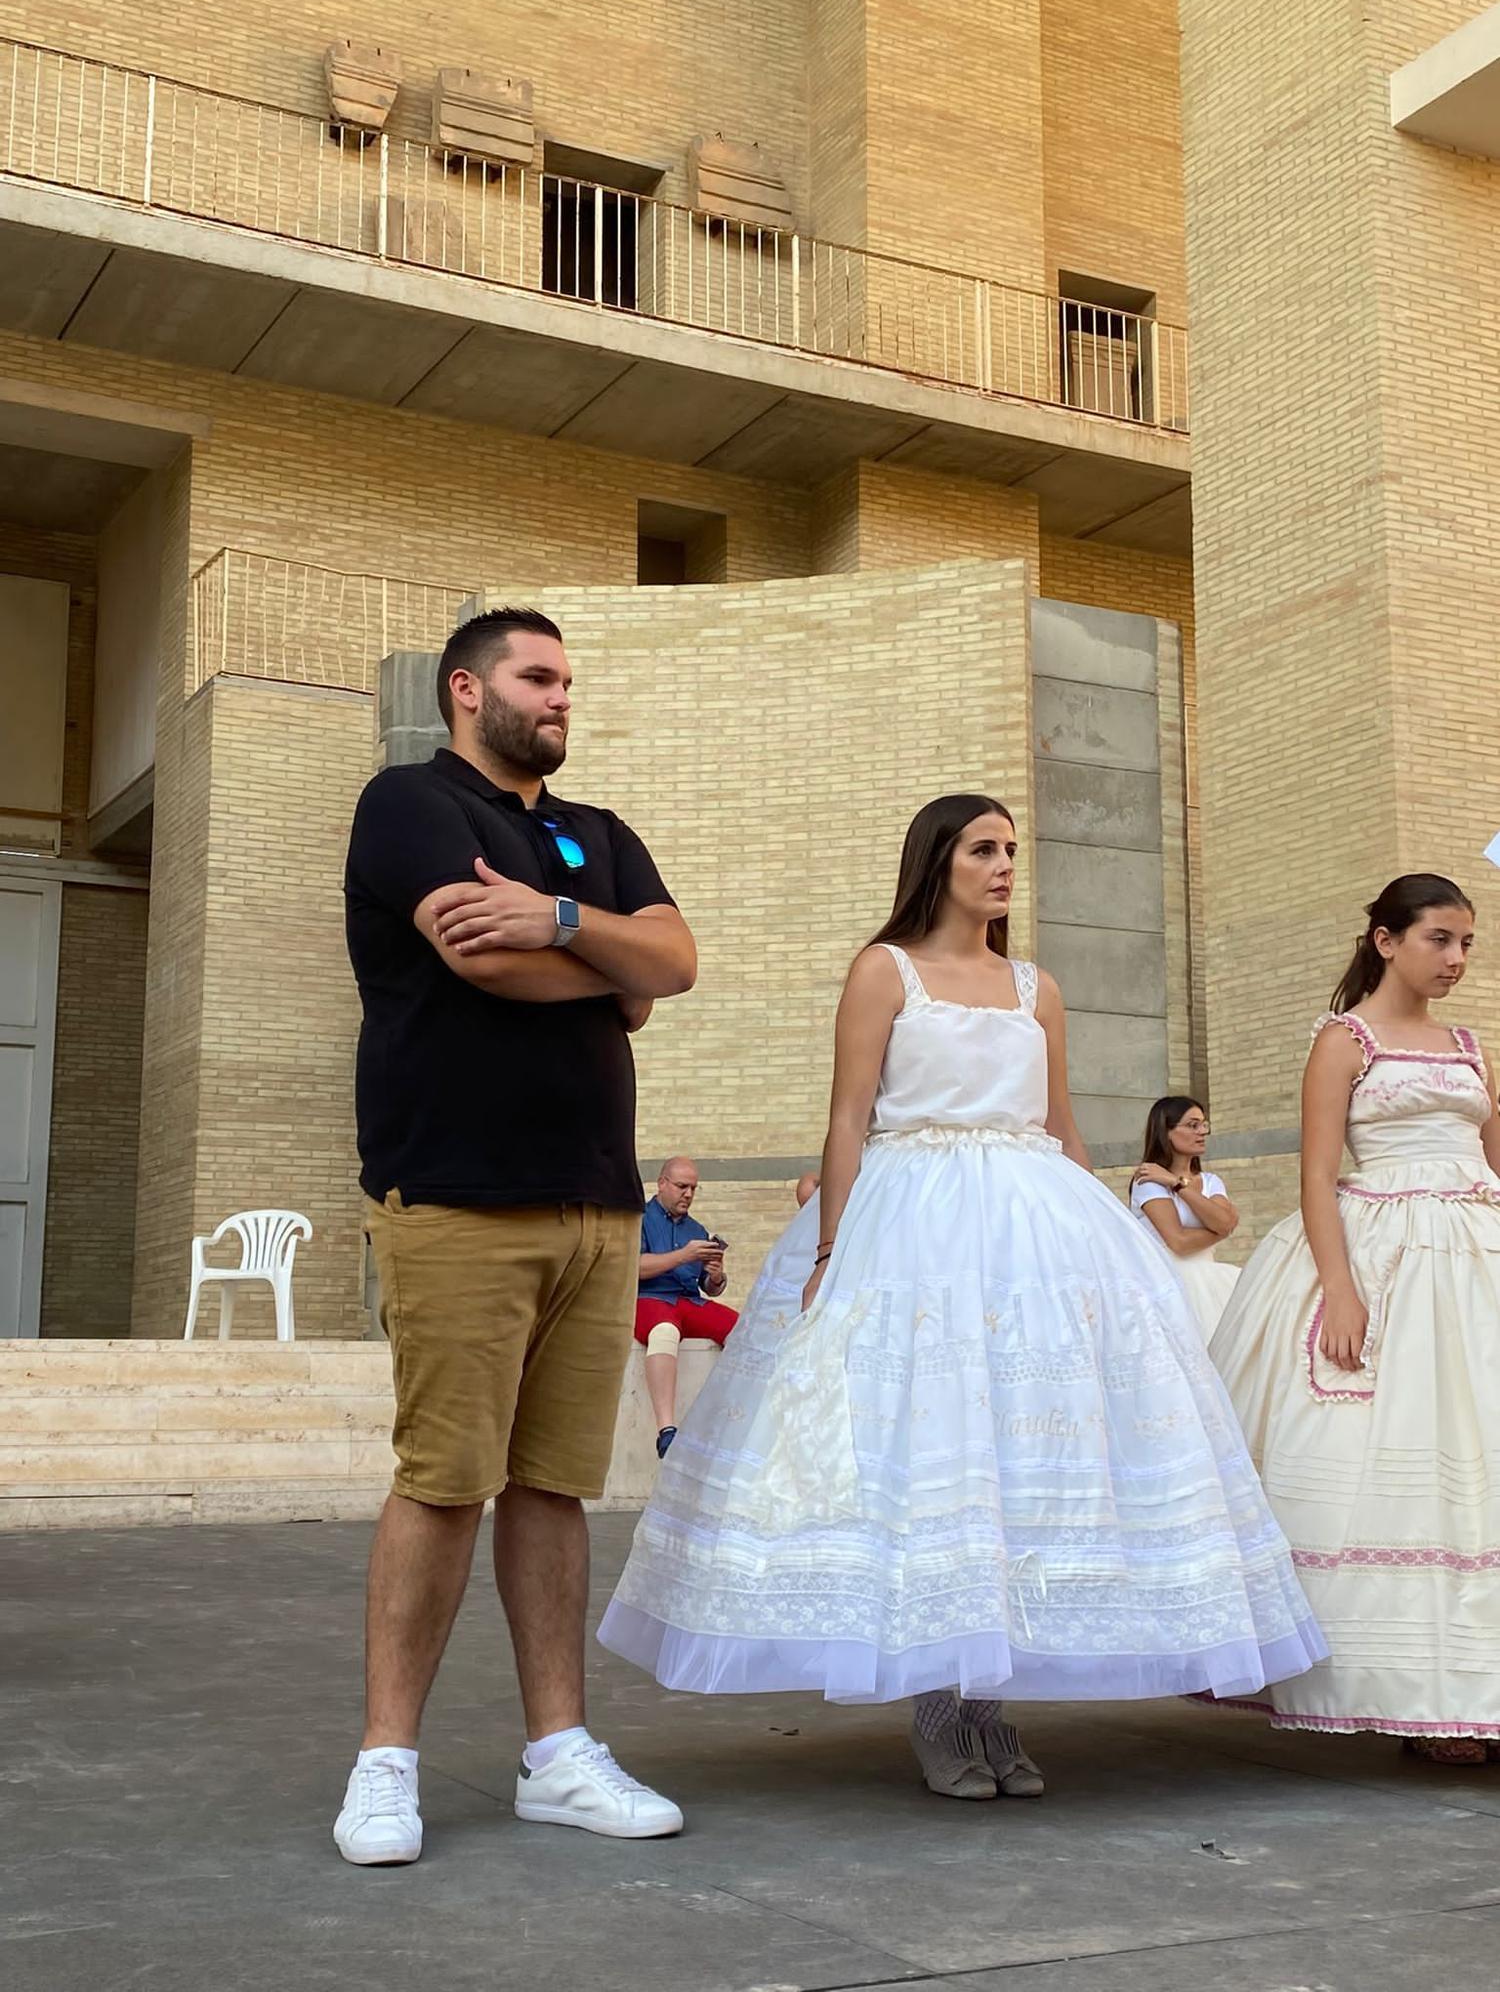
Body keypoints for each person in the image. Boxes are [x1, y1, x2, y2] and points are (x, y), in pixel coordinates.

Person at [599, 794, 1324, 1805]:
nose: (1003, 865)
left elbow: (1063, 1126)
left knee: (1023, 1461)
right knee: (928, 1450)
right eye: (984, 848)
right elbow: (848, 1117)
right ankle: (939, 1700)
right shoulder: (883, 970)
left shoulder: (1037, 986)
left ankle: (990, 1696)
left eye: (1012, 850)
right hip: (912, 1221)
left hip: (1033, 1222)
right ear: (938, 859)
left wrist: (1116, 1252)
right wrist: (833, 1247)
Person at [336, 606, 697, 1864]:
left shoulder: (594, 833)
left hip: (599, 1206)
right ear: (465, 688)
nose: (560, 697)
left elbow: (679, 961)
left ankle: (558, 1752)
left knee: (553, 1488)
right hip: (457, 1198)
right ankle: (386, 1761)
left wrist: (555, 922)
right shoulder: (408, 803)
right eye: (537, 676)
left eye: (566, 680)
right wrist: (609, 957)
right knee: (444, 1482)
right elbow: (474, 955)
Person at [1209, 874, 1500, 1761]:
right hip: (1379, 1250)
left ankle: (1478, 1691)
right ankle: (1416, 1698)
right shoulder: (1346, 1041)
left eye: (1465, 944)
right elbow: (1317, 1176)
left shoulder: (1470, 1045)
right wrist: (1340, 1287)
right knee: (1386, 1459)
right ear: (1385, 941)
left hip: (1475, 1249)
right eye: (1438, 940)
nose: (1454, 959)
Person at [637, 1156, 738, 1457]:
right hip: (647, 1299)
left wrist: (716, 1277)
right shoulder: (637, 1218)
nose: (688, 1194)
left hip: (688, 1300)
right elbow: (633, 1268)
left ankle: (737, 1424)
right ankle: (666, 1430)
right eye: (682, 1186)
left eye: (693, 1188)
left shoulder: (697, 1228)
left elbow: (709, 1287)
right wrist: (683, 1255)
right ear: (662, 1183)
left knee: (743, 1330)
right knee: (665, 1330)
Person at [1130, 1096, 1241, 1340]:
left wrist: (1176, 1183)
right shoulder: (1148, 1179)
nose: (1202, 1131)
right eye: (1192, 1125)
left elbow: (1222, 1223)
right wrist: (1220, 1231)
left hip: (1211, 1282)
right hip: (1167, 1285)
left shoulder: (1211, 1181)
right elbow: (1179, 1242)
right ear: (1167, 1131)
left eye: (1204, 1124)